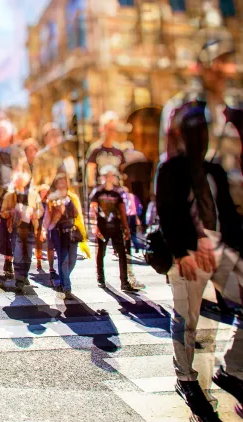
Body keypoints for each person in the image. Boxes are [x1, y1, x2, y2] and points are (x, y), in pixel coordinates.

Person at [157, 21, 243, 418]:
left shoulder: (226, 128)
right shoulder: (182, 123)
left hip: (220, 239)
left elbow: (224, 198)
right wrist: (183, 247)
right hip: (189, 244)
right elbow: (168, 193)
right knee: (187, 318)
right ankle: (187, 379)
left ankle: (234, 369)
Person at [90, 165, 136, 292]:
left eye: (111, 175)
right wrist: (94, 226)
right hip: (102, 226)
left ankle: (124, 282)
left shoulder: (117, 192)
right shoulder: (98, 192)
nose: (109, 178)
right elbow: (93, 209)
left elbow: (122, 211)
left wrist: (126, 228)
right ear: (103, 177)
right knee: (101, 253)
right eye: (107, 176)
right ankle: (100, 278)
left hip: (116, 227)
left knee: (122, 253)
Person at [43, 174, 86, 299]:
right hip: (58, 232)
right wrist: (44, 230)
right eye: (59, 183)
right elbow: (48, 217)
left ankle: (63, 279)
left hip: (72, 231)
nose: (62, 185)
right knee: (64, 258)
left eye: (64, 182)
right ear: (56, 185)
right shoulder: (52, 198)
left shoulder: (72, 197)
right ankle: (66, 286)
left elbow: (78, 214)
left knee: (73, 260)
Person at [86, 111, 126, 190]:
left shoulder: (119, 151)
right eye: (109, 129)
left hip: (116, 192)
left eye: (114, 129)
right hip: (100, 192)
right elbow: (90, 176)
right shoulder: (95, 150)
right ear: (102, 129)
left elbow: (122, 174)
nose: (111, 133)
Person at [32, 122, 76, 188]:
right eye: (52, 135)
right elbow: (36, 181)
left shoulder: (67, 155)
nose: (55, 138)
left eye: (57, 134)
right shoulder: (40, 157)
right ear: (46, 139)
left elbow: (72, 176)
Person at [33, 185, 50, 271]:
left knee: (49, 245)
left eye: (45, 192)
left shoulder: (49, 201)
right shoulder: (37, 201)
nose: (44, 193)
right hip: (39, 225)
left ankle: (50, 264)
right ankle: (38, 262)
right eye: (42, 192)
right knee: (38, 245)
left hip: (48, 226)